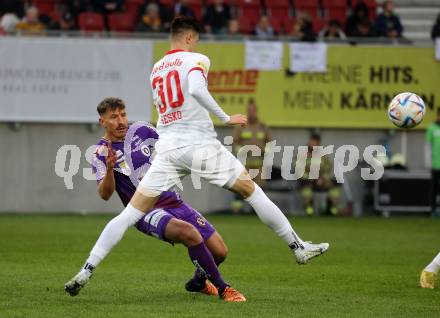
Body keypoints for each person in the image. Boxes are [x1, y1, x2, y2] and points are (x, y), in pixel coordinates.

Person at [65, 16, 329, 300]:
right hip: (199, 144)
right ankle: (296, 247)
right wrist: (226, 117)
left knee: (129, 214)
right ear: (190, 38)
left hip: (168, 148)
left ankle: (88, 268)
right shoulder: (196, 59)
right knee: (252, 191)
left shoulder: (156, 68)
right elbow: (195, 89)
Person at [65, 97, 245, 302]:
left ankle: (198, 283)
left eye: (123, 115)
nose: (121, 121)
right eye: (113, 117)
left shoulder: (143, 130)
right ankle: (224, 289)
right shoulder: (100, 152)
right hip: (146, 210)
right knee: (190, 234)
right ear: (102, 122)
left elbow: (172, 144)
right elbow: (105, 194)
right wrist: (108, 169)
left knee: (220, 252)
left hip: (174, 201)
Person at [297, 134, 342, 216]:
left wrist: (323, 178)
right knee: (306, 189)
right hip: (307, 179)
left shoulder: (322, 155)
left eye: (314, 142)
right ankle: (309, 208)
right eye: (311, 141)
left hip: (321, 180)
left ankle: (331, 208)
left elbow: (327, 168)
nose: (311, 143)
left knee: (334, 187)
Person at [233, 100, 271, 187]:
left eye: (253, 110)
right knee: (243, 190)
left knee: (259, 191)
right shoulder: (240, 126)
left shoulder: (263, 126)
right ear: (246, 111)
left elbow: (270, 143)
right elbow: (235, 143)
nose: (251, 112)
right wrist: (242, 151)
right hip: (244, 166)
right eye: (249, 110)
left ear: (256, 111)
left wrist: (264, 151)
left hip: (259, 168)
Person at [425, 108, 440, 216]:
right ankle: (433, 210)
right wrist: (428, 162)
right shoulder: (432, 128)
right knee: (434, 189)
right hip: (435, 164)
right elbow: (428, 146)